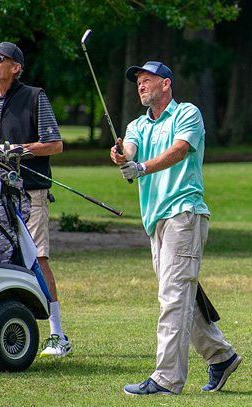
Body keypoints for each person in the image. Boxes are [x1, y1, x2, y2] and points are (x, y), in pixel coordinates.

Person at [110, 61, 241, 395]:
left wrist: (140, 167)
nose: (141, 85)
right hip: (155, 221)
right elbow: (130, 148)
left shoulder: (187, 114)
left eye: (147, 80)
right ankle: (221, 357)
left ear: (166, 84)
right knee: (180, 295)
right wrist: (123, 157)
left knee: (172, 295)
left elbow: (179, 151)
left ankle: (166, 379)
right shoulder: (137, 124)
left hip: (185, 213)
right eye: (138, 81)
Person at [0, 41, 72, 358]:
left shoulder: (34, 97)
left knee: (38, 258)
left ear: (15, 67)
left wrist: (22, 150)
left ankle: (58, 335)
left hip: (31, 191)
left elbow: (55, 144)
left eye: (0, 59)